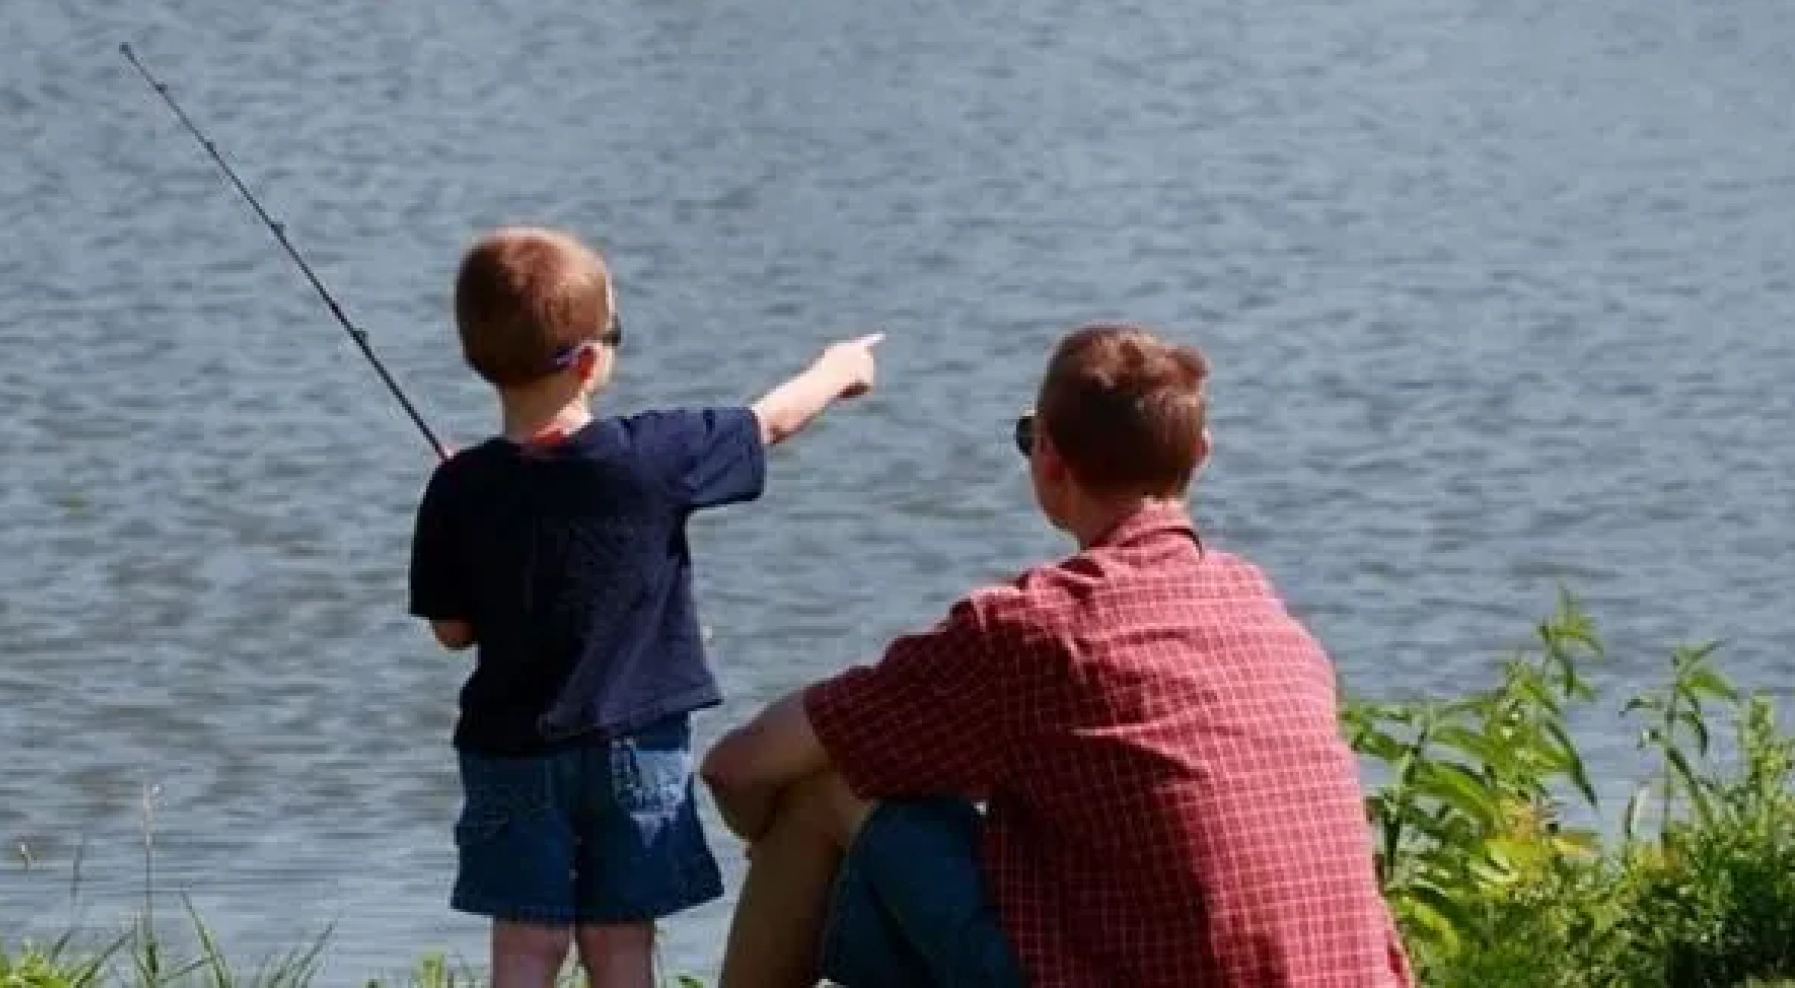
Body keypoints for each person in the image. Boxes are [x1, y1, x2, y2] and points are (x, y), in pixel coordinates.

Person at [699, 322, 1415, 988]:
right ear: (1201, 454)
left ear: (1047, 458)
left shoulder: (1035, 631)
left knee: (827, 781)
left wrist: (779, 844)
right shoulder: (1265, 615)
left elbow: (737, 767)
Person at [407, 225, 884, 988]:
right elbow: (771, 420)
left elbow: (451, 631)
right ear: (591, 362)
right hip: (638, 748)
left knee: (526, 945)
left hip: (510, 753)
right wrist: (838, 369)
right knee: (621, 943)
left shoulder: (460, 487)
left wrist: (479, 513)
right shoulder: (655, 457)